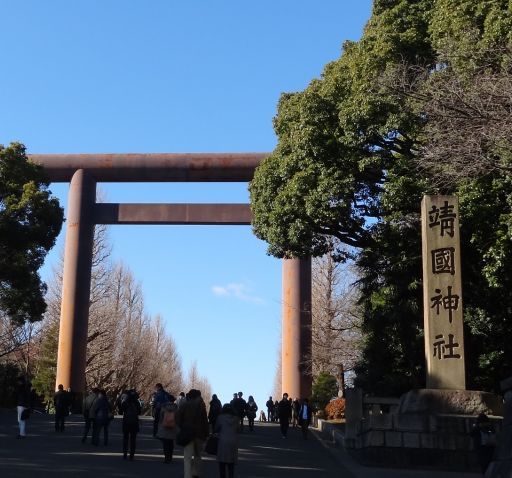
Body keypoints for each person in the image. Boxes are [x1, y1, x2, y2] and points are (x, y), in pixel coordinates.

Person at [177, 388, 209, 478]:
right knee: (197, 455)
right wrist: (206, 434)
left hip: (187, 433)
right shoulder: (201, 406)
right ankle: (195, 473)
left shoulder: (185, 405)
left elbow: (178, 418)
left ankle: (187, 475)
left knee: (187, 457)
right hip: (199, 434)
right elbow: (205, 421)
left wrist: (182, 427)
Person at [215, 404, 239, 478]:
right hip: (233, 441)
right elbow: (238, 429)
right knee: (231, 464)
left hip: (222, 441)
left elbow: (216, 428)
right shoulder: (236, 419)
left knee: (222, 463)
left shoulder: (220, 418)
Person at [119, 389, 141, 460]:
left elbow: (120, 412)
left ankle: (125, 453)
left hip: (126, 421)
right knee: (133, 439)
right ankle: (132, 454)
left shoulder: (125, 402)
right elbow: (139, 412)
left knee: (125, 438)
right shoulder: (137, 402)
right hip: (134, 422)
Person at [157, 394, 178, 463]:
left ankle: (166, 458)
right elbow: (178, 417)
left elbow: (161, 416)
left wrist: (160, 423)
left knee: (165, 443)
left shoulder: (164, 407)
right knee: (171, 443)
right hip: (173, 426)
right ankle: (170, 457)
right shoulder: (176, 407)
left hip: (165, 426)